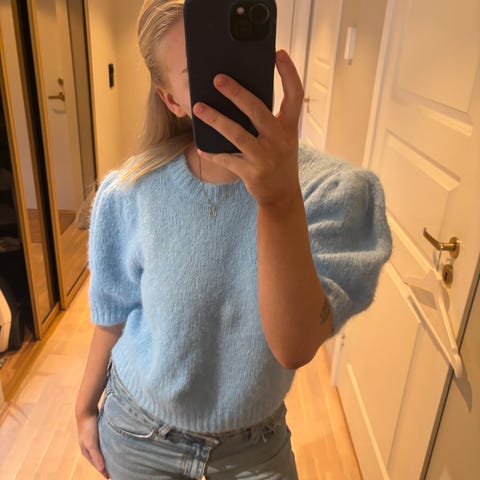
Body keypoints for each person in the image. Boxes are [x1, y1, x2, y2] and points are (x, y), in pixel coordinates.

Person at [75, 1, 392, 479]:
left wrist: (280, 201)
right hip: (137, 435)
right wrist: (83, 407)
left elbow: (295, 347)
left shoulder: (333, 192)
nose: (228, 83)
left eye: (235, 63)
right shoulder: (129, 193)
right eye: (202, 73)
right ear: (171, 100)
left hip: (253, 452)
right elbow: (113, 315)